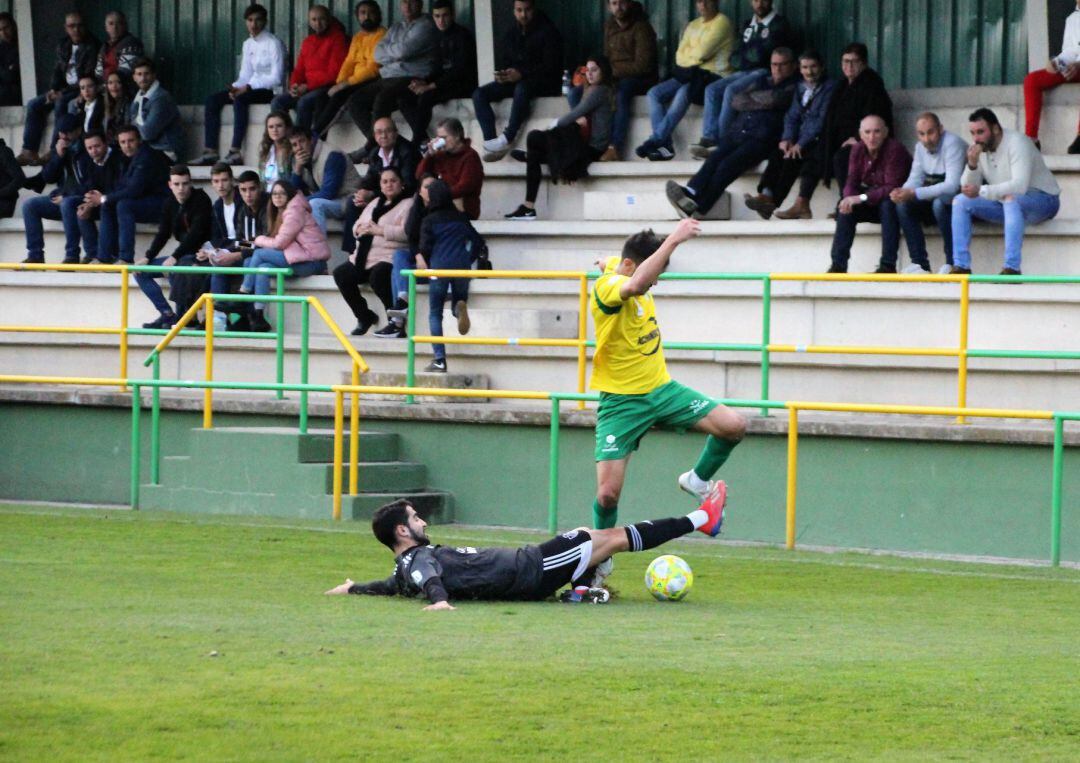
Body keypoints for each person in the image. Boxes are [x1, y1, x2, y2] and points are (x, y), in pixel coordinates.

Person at [587, 218, 745, 588]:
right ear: (632, 265)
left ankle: (697, 480)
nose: (655, 282)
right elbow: (636, 280)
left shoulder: (617, 266)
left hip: (661, 389)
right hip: (620, 402)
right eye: (655, 271)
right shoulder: (609, 286)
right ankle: (601, 554)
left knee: (734, 426)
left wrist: (608, 259)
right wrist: (674, 239)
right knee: (607, 494)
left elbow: (621, 263)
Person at [323, 489, 725, 607]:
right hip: (531, 565)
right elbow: (427, 579)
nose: (423, 521)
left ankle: (582, 589)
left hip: (528, 573)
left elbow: (393, 583)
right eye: (415, 519)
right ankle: (701, 520)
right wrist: (439, 601)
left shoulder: (404, 568)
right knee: (605, 537)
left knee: (596, 541)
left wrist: (354, 587)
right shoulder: (419, 561)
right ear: (402, 532)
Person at [666, 48, 798, 219]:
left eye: (782, 65)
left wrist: (755, 99)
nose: (777, 69)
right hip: (739, 132)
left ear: (793, 66)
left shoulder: (794, 86)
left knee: (727, 166)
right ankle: (691, 192)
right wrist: (763, 100)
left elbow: (776, 99)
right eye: (774, 64)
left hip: (763, 139)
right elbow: (737, 100)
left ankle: (701, 206)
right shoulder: (762, 81)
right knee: (715, 157)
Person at [950, 108, 1061, 276]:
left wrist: (982, 190)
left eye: (981, 132)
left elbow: (1019, 186)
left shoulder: (1018, 143)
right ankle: (961, 267)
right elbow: (966, 189)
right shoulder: (981, 149)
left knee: (1012, 199)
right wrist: (971, 165)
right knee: (959, 201)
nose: (976, 139)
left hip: (1044, 200)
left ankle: (1012, 268)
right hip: (1006, 202)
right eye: (972, 133)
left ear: (995, 129)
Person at [504, 56, 614, 221]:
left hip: (591, 149)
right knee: (535, 143)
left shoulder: (600, 90)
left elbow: (576, 114)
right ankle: (528, 199)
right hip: (584, 143)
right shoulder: (591, 89)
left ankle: (528, 206)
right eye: (587, 70)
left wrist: (553, 125)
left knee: (535, 138)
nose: (589, 74)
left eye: (595, 70)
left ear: (603, 71)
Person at [690, 0, 792, 157]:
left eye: (763, 0)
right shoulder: (747, 24)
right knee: (712, 89)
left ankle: (722, 142)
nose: (759, 4)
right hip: (743, 71)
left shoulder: (779, 24)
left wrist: (747, 56)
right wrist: (748, 56)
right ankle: (709, 138)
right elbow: (734, 56)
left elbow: (763, 54)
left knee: (731, 90)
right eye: (756, 0)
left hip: (765, 71)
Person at [634, 0, 734, 161]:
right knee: (654, 93)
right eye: (700, 2)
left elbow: (702, 53)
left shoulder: (722, 22)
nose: (704, 5)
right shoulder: (693, 25)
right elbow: (679, 56)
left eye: (708, 1)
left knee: (683, 91)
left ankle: (657, 139)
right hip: (690, 73)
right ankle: (665, 144)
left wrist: (691, 56)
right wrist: (692, 59)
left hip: (714, 75)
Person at [744, 50, 836, 220]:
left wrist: (800, 143)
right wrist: (787, 139)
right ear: (800, 69)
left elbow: (820, 121)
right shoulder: (800, 87)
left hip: (819, 140)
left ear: (822, 67)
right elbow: (792, 116)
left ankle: (772, 202)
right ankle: (765, 194)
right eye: (805, 67)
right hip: (800, 139)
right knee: (779, 153)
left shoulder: (830, 88)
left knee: (793, 157)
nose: (809, 72)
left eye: (813, 67)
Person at [193, 4, 286, 166]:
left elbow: (276, 78)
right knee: (212, 100)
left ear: (265, 21)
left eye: (257, 20)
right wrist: (236, 87)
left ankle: (235, 151)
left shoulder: (273, 43)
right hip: (248, 87)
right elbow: (245, 74)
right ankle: (210, 152)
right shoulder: (248, 44)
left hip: (269, 91)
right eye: (250, 20)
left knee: (240, 100)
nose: (253, 24)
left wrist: (248, 87)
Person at [472, 0, 563, 161]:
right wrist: (505, 74)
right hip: (516, 80)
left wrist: (521, 73)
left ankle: (508, 137)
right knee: (479, 94)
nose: (523, 15)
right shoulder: (511, 33)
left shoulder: (548, 31)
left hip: (543, 82)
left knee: (522, 87)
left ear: (533, 9)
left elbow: (550, 66)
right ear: (514, 11)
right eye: (519, 10)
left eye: (527, 10)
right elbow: (506, 60)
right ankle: (491, 141)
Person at [411, 179, 483, 371]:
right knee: (458, 301)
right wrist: (469, 258)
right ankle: (458, 309)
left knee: (435, 313)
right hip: (461, 267)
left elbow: (425, 248)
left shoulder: (428, 220)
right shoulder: (460, 218)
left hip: (439, 267)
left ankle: (439, 359)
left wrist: (422, 262)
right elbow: (477, 241)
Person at [240, 180, 331, 332]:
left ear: (289, 195)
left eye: (282, 193)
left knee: (258, 255)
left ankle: (243, 294)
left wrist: (256, 240)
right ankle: (258, 314)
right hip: (298, 257)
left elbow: (278, 243)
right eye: (275, 193)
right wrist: (236, 247)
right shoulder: (270, 211)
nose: (277, 197)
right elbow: (241, 240)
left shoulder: (294, 211)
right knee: (263, 268)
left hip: (312, 261)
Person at [826, 115, 912, 274]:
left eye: (877, 132)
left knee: (888, 204)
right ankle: (838, 265)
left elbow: (891, 187)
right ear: (860, 134)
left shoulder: (895, 150)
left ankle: (888, 265)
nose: (872, 137)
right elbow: (851, 180)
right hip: (873, 201)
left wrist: (860, 198)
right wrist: (848, 198)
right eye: (867, 132)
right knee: (844, 208)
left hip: (896, 202)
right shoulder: (857, 149)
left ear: (885, 132)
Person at [347, 0, 439, 147]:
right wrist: (396, 53)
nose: (408, 6)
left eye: (412, 2)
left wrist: (393, 52)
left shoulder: (426, 25)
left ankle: (371, 147)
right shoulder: (396, 27)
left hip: (413, 77)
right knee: (355, 101)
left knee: (383, 98)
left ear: (421, 4)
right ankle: (377, 144)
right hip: (389, 77)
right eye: (404, 2)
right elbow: (377, 53)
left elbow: (403, 51)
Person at [883, 113, 966, 274]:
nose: (927, 139)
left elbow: (952, 185)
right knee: (902, 206)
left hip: (958, 197)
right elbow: (915, 178)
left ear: (940, 129)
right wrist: (902, 192)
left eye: (931, 132)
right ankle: (920, 263)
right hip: (933, 194)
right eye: (922, 134)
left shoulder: (952, 143)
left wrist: (914, 192)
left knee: (939, 204)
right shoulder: (920, 147)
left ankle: (952, 262)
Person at [135, 165, 215, 330]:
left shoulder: (201, 199)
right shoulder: (169, 203)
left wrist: (174, 257)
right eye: (177, 184)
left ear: (190, 183)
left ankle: (183, 316)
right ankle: (167, 313)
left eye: (185, 184)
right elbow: (163, 233)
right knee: (139, 272)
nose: (181, 189)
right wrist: (148, 257)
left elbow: (195, 234)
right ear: (170, 185)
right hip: (182, 256)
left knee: (178, 268)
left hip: (201, 255)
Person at [576, 0, 657, 161]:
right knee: (576, 93)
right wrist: (596, 73)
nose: (618, 8)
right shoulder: (610, 26)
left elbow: (643, 65)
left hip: (640, 79)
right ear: (608, 6)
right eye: (614, 3)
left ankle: (614, 147)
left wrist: (609, 72)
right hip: (613, 77)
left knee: (620, 94)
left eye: (622, 3)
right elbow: (606, 58)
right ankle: (588, 144)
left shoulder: (642, 27)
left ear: (630, 3)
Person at [337, 167, 413, 336]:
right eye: (385, 181)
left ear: (402, 184)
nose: (389, 185)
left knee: (378, 276)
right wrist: (359, 229)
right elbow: (357, 224)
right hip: (363, 256)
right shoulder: (374, 202)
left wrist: (380, 230)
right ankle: (364, 316)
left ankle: (395, 321)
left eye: (393, 181)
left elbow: (407, 233)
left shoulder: (408, 204)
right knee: (341, 274)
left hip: (387, 256)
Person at [19, 12, 100, 166]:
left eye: (79, 25)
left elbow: (88, 76)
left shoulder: (92, 45)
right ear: (66, 28)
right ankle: (29, 150)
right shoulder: (64, 44)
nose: (76, 30)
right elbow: (58, 69)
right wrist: (53, 89)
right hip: (63, 88)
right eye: (72, 26)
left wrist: (60, 93)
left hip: (79, 89)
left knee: (60, 103)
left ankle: (54, 148)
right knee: (34, 104)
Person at [86, 124, 170, 264]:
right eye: (123, 142)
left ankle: (125, 258)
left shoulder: (146, 157)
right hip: (144, 201)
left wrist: (103, 198)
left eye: (131, 141)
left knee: (124, 205)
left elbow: (134, 190)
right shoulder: (127, 158)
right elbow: (121, 187)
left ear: (139, 140)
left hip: (162, 204)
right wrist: (99, 200)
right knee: (108, 204)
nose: (127, 146)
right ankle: (104, 257)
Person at [398, 0, 477, 146]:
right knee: (404, 99)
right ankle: (423, 139)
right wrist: (424, 82)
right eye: (437, 16)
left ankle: (416, 142)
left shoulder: (462, 36)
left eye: (445, 15)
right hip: (442, 83)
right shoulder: (436, 36)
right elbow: (437, 69)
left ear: (452, 15)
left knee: (426, 96)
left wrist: (431, 86)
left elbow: (460, 71)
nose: (441, 20)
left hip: (462, 84)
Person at [819, 43, 892, 199]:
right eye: (845, 61)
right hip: (841, 138)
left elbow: (876, 118)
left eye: (854, 61)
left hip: (867, 140)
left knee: (843, 157)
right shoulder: (841, 85)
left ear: (863, 63)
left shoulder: (872, 84)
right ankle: (802, 202)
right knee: (812, 154)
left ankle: (847, 201)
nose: (849, 66)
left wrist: (859, 138)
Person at [341, 117, 420, 257]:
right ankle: (353, 251)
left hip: (404, 197)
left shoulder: (407, 151)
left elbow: (409, 186)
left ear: (396, 133)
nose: (383, 136)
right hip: (383, 195)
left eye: (388, 131)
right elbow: (369, 179)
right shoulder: (375, 153)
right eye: (379, 132)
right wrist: (362, 192)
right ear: (374, 136)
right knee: (353, 202)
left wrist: (373, 195)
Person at [313, 1, 386, 141]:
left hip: (373, 79)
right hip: (354, 79)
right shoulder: (358, 36)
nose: (367, 16)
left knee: (340, 95)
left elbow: (373, 68)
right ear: (357, 16)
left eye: (371, 13)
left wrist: (345, 84)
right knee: (322, 96)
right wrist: (339, 82)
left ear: (378, 15)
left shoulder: (382, 35)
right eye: (363, 13)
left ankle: (314, 136)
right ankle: (319, 140)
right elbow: (349, 61)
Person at [270, 5, 349, 134]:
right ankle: (284, 142)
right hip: (306, 88)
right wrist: (294, 86)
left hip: (326, 88)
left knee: (303, 102)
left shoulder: (338, 39)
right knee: (277, 102)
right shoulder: (308, 41)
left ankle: (303, 142)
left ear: (329, 19)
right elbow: (299, 69)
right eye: (314, 19)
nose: (318, 23)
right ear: (309, 21)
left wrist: (307, 87)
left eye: (322, 19)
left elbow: (335, 74)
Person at [208, 169, 266, 331]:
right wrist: (224, 252)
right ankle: (218, 319)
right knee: (218, 264)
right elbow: (243, 241)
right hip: (252, 252)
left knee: (248, 261)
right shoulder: (243, 210)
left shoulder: (267, 208)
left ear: (259, 187)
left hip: (266, 255)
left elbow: (265, 242)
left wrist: (237, 254)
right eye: (243, 190)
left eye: (252, 189)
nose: (248, 195)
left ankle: (248, 315)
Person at [22, 114, 81, 264]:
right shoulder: (60, 148)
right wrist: (59, 156)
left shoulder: (86, 148)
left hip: (80, 199)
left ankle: (72, 255)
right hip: (63, 198)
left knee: (67, 203)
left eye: (68, 132)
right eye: (61, 132)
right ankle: (35, 255)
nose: (64, 136)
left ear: (78, 131)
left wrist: (66, 195)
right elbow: (48, 177)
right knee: (30, 206)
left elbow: (88, 181)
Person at [1023, 1, 1080, 153]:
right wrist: (1057, 62)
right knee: (1032, 80)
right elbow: (1070, 50)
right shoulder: (1072, 19)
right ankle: (1031, 139)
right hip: (1074, 67)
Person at [289, 129, 363, 235]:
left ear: (311, 140)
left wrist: (299, 202)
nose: (299, 147)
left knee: (315, 204)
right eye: (294, 145)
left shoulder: (331, 155)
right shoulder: (298, 159)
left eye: (302, 141)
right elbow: (293, 191)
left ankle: (318, 248)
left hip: (348, 199)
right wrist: (297, 169)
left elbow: (329, 193)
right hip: (332, 199)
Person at [416, 117, 483, 219]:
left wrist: (438, 196)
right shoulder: (441, 155)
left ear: (457, 136)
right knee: (416, 205)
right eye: (438, 138)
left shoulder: (470, 157)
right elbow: (419, 175)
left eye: (444, 138)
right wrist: (429, 155)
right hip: (440, 206)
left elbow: (465, 186)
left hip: (462, 209)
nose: (440, 141)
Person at [72, 130, 124, 264]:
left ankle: (106, 256)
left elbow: (121, 188)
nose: (93, 151)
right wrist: (89, 203)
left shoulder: (119, 158)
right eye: (89, 148)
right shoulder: (89, 160)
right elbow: (88, 186)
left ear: (106, 143)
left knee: (107, 206)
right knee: (80, 207)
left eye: (97, 146)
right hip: (101, 200)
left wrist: (100, 199)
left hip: (119, 201)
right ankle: (91, 253)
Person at [128, 58, 184, 162]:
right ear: (134, 77)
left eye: (146, 74)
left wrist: (135, 123)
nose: (143, 78)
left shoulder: (161, 98)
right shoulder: (138, 98)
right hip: (147, 151)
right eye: (139, 74)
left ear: (154, 75)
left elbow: (147, 133)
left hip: (166, 152)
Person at [93, 10, 144, 89]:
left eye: (119, 23)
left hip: (125, 89)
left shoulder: (131, 43)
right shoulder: (105, 46)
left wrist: (104, 87)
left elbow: (125, 73)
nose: (115, 27)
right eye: (111, 24)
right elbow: (98, 73)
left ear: (125, 25)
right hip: (106, 88)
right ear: (106, 27)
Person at [258, 110, 294, 190]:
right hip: (267, 195)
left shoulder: (292, 150)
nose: (275, 130)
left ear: (287, 127)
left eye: (279, 126)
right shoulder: (265, 152)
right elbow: (262, 181)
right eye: (271, 127)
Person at [102, 71, 131, 145]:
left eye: (118, 82)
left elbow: (127, 128)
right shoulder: (104, 102)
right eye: (110, 83)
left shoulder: (128, 103)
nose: (114, 86)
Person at [0, 12, 20, 107]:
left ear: (13, 26)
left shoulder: (22, 44)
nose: (3, 33)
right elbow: (5, 75)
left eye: (6, 28)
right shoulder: (1, 49)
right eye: (0, 30)